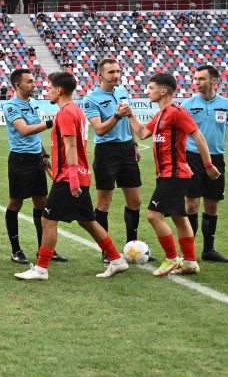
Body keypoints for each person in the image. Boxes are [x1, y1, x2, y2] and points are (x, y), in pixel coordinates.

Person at [14, 71, 129, 281]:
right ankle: (117, 260)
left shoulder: (66, 112)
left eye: (49, 88)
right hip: (79, 175)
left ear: (59, 90)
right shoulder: (75, 110)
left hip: (69, 177)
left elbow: (72, 145)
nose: (47, 91)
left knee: (48, 220)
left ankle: (40, 269)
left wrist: (73, 179)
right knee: (88, 221)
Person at [123, 73, 219, 276]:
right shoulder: (159, 115)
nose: (147, 91)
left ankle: (172, 258)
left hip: (174, 173)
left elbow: (198, 136)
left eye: (150, 88)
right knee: (179, 218)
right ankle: (190, 262)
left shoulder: (177, 112)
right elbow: (142, 133)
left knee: (152, 215)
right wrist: (129, 114)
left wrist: (208, 165)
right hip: (168, 174)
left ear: (163, 91)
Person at [83, 58, 147, 261]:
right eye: (111, 72)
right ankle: (106, 251)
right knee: (104, 202)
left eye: (118, 71)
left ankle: (132, 248)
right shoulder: (91, 99)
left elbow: (129, 120)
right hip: (106, 152)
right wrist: (118, 115)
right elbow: (100, 129)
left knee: (135, 200)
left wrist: (134, 144)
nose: (116, 75)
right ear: (99, 74)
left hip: (127, 149)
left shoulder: (122, 93)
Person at [2, 69, 66, 265]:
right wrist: (51, 123)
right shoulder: (11, 106)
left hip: (36, 159)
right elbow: (24, 130)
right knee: (16, 203)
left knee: (42, 204)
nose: (34, 84)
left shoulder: (34, 104)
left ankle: (44, 249)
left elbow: (35, 136)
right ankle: (16, 250)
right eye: (29, 82)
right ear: (17, 85)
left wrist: (44, 154)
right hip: (20, 160)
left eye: (34, 81)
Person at [182, 64, 228, 262]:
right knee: (191, 204)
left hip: (216, 158)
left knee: (212, 204)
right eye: (195, 79)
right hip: (192, 158)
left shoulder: (225, 104)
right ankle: (189, 252)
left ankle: (208, 250)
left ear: (214, 81)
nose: (197, 83)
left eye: (201, 79)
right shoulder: (187, 105)